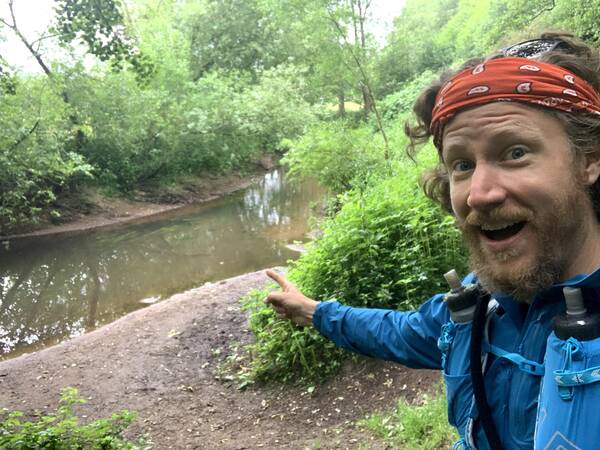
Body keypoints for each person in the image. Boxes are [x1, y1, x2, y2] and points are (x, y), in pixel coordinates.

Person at [265, 31, 600, 450]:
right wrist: (313, 312)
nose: (479, 193)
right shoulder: (478, 314)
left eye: (515, 153)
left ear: (589, 158)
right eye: (462, 164)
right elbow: (398, 332)